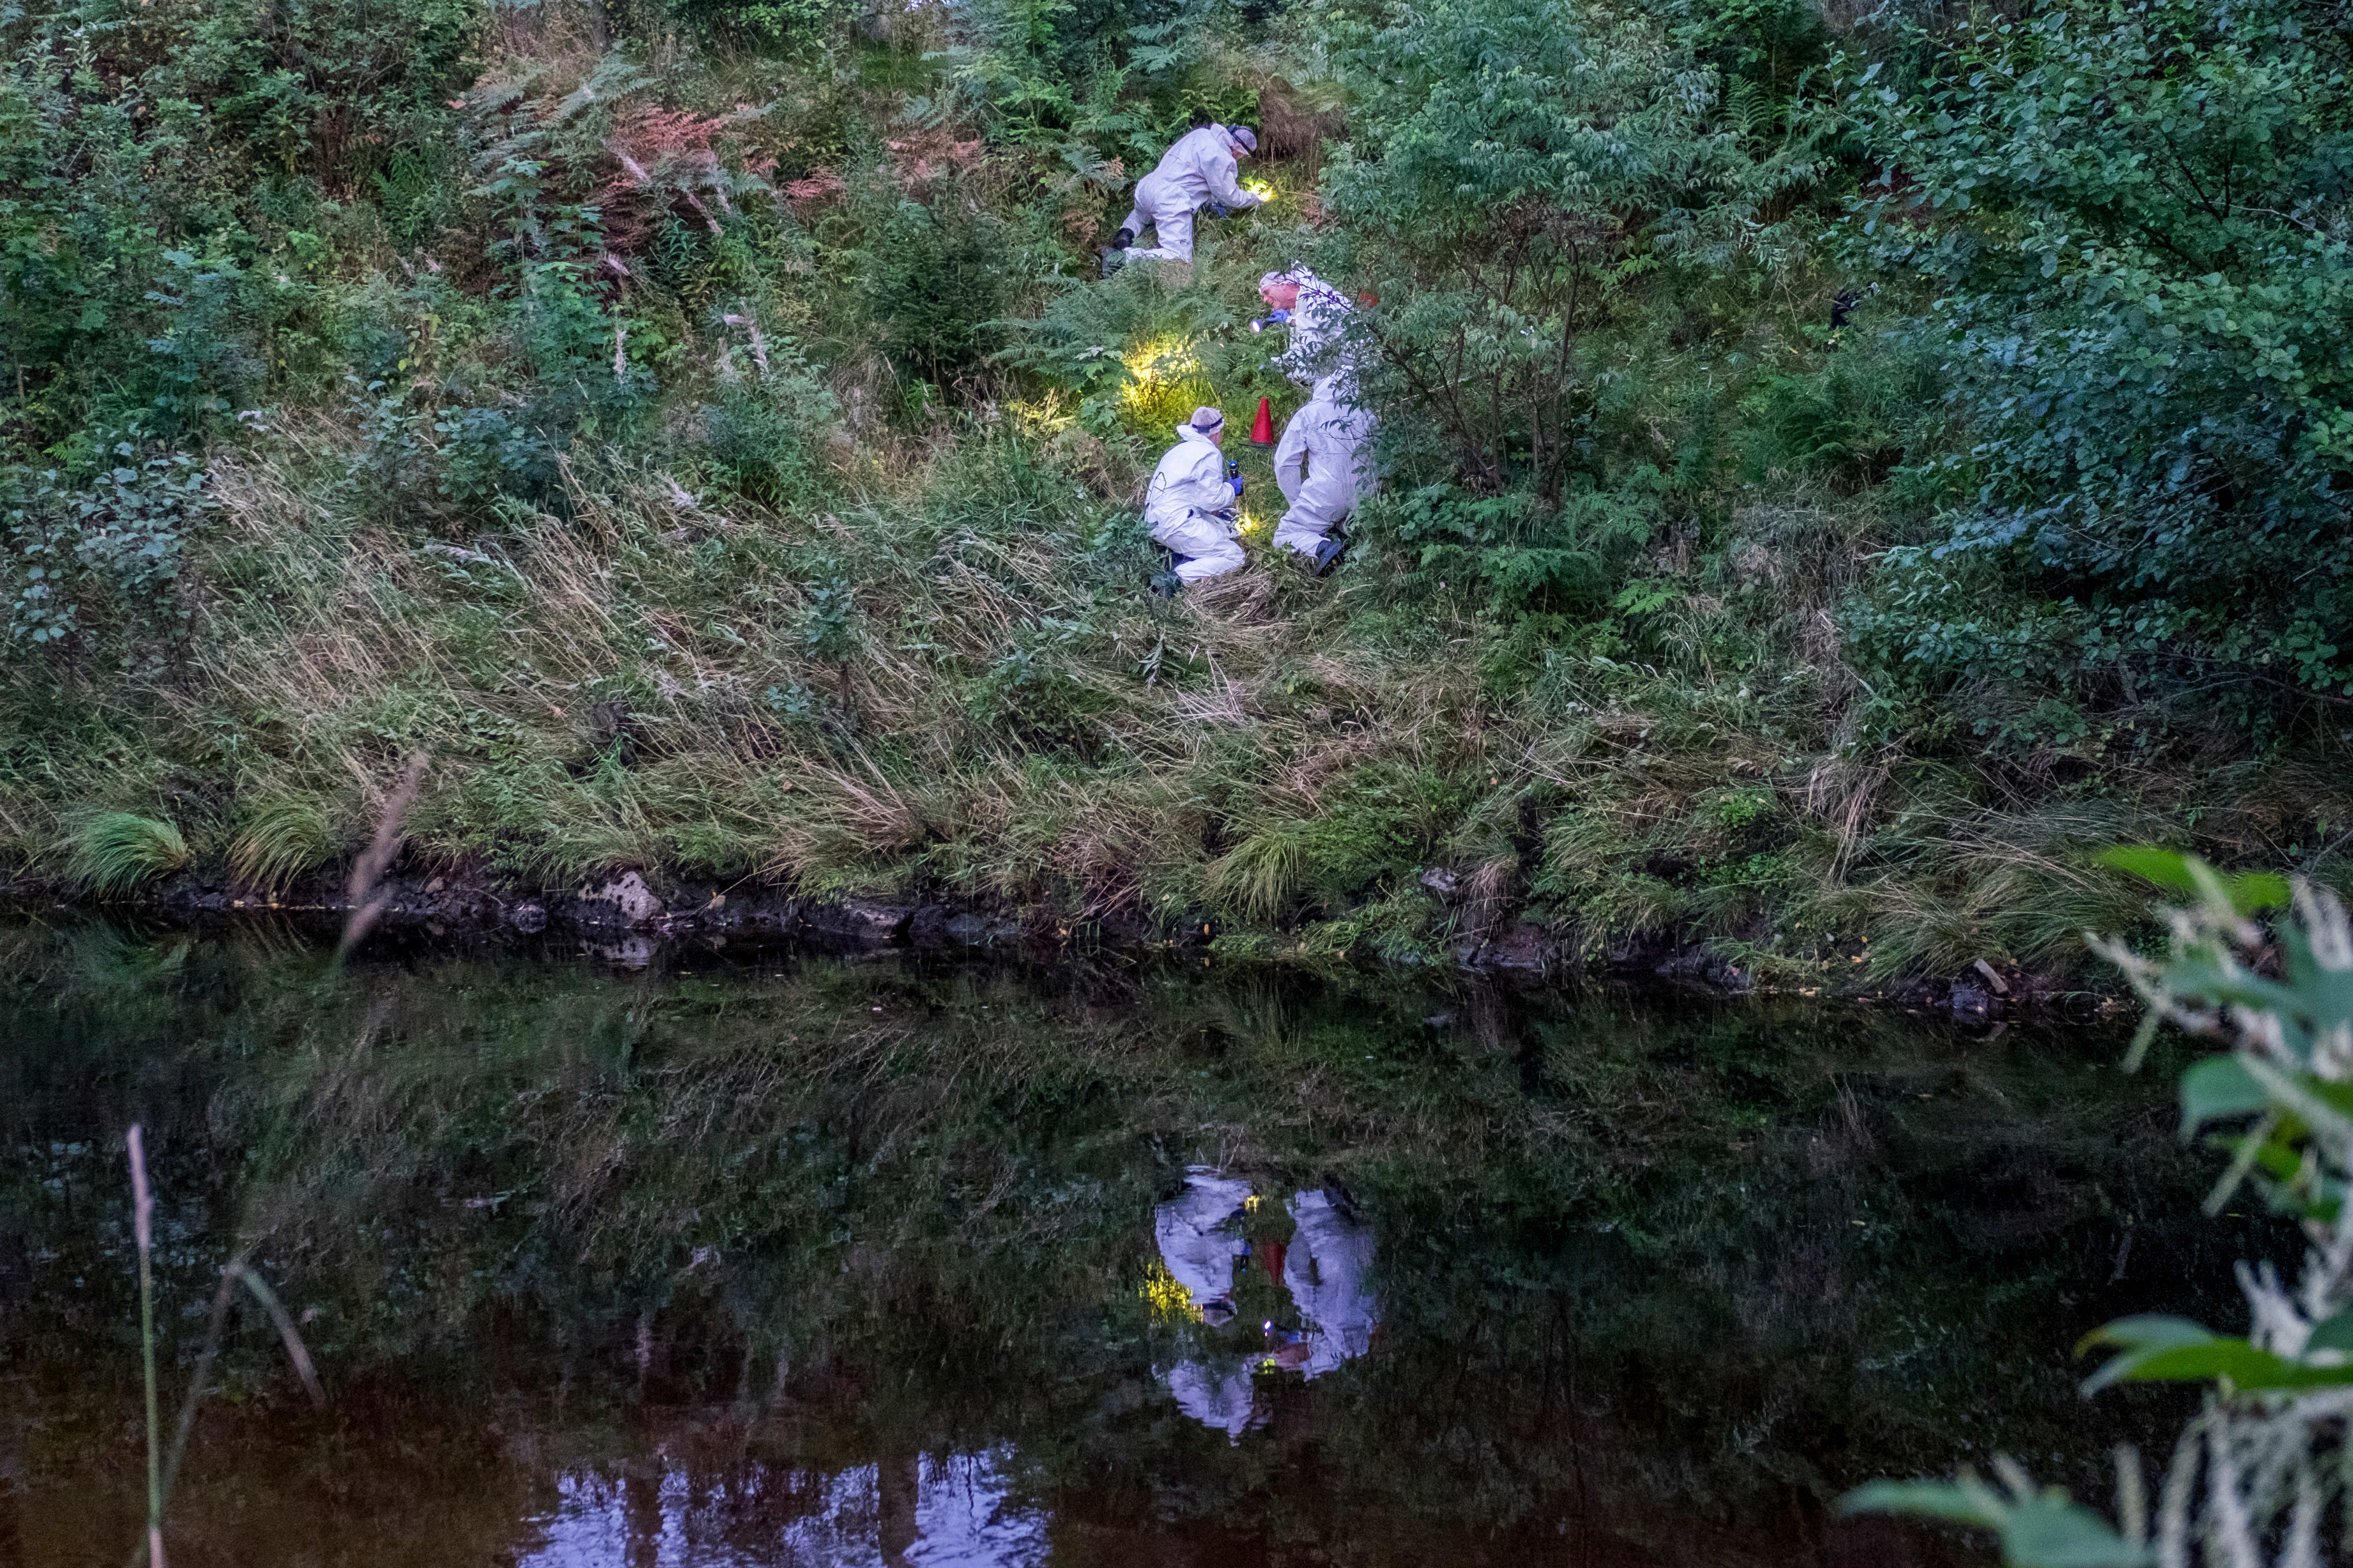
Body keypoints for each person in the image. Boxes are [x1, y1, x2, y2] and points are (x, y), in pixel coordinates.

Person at [1258, 268, 1377, 574]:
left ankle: (1323, 547)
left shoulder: (1310, 415)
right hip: (1368, 491)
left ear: (1285, 284)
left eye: (1267, 293)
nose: (1266, 301)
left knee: (1285, 535)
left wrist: (1299, 501)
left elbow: (1284, 462)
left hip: (1325, 493)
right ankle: (1355, 534)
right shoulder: (1368, 411)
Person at [1104, 124, 1263, 270]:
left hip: (1148, 186)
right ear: (1238, 150)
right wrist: (1257, 199)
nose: (1239, 158)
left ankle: (1125, 234)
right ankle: (1122, 259)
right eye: (1242, 156)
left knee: (1141, 217)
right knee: (1179, 258)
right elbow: (1230, 195)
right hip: (1171, 200)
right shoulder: (1220, 157)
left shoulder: (1202, 134)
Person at [1145, 406, 1247, 587]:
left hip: (1153, 522)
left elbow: (1191, 494)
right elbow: (1211, 501)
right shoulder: (1209, 453)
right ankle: (1174, 580)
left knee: (1222, 530)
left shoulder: (1178, 450)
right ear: (1217, 433)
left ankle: (1187, 558)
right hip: (1177, 524)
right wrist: (1231, 488)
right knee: (1235, 557)